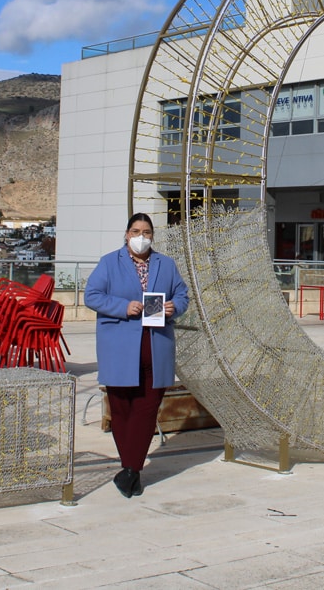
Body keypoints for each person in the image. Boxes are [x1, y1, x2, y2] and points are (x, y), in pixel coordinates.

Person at [85, 213, 189, 497]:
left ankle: (131, 469)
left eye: (146, 231)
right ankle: (132, 470)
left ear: (152, 236)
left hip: (156, 346)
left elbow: (183, 295)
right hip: (120, 346)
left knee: (147, 407)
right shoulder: (109, 262)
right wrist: (122, 307)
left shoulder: (166, 264)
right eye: (135, 231)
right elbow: (91, 296)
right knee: (122, 408)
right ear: (127, 234)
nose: (141, 236)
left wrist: (174, 307)